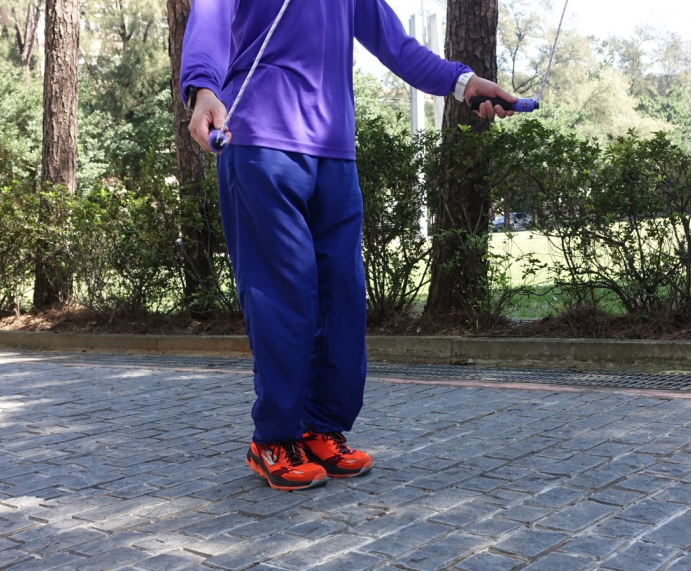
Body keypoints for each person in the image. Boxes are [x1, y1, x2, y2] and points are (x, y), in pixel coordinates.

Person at [181, 0, 517, 491]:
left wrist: (462, 83)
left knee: (342, 297)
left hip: (334, 151)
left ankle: (321, 429)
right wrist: (204, 87)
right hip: (259, 139)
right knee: (285, 297)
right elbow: (210, 14)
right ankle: (274, 439)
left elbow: (394, 43)